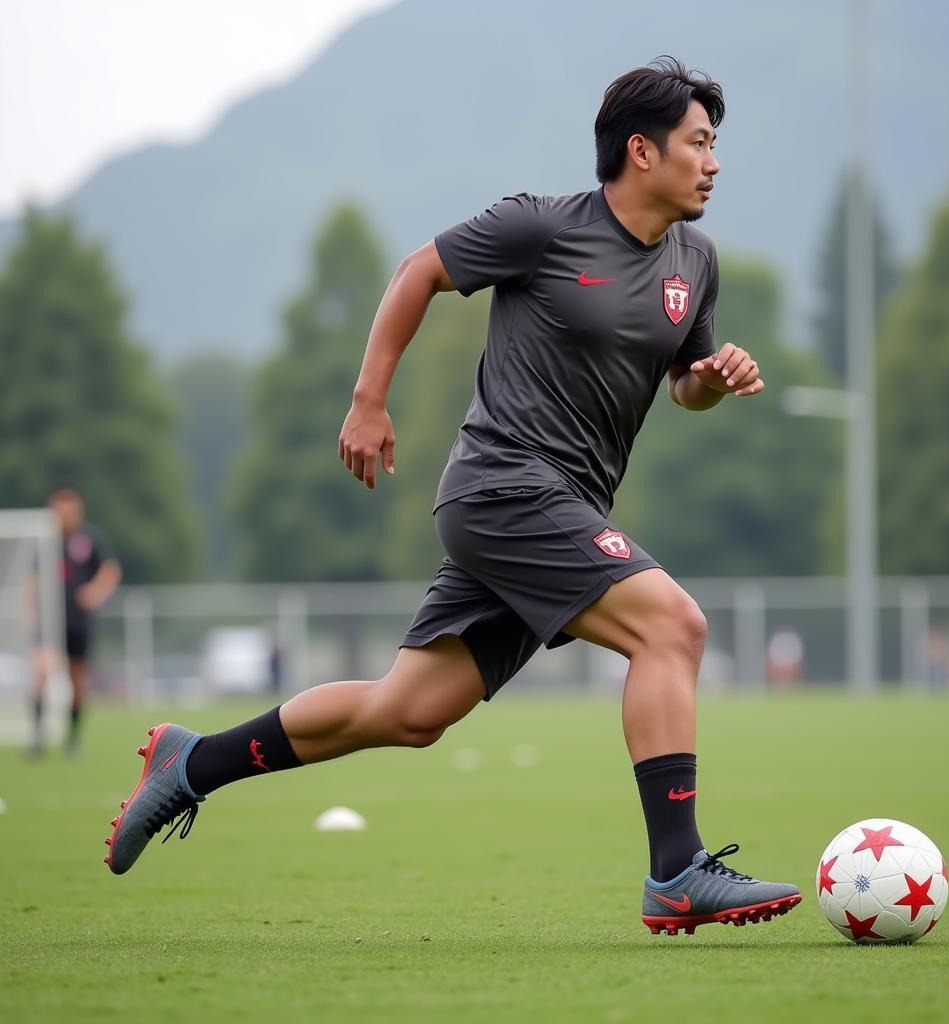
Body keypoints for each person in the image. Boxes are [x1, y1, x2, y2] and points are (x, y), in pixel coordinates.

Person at [105, 58, 801, 935]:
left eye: (714, 145)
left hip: (563, 511)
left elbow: (682, 387)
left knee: (409, 713)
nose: (713, 162)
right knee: (675, 626)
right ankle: (677, 871)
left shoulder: (694, 261)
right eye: (699, 142)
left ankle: (190, 762)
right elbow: (415, 273)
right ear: (641, 150)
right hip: (503, 487)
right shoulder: (540, 226)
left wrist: (712, 375)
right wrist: (368, 400)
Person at [32, 485, 121, 755]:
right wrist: (32, 612)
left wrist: (95, 592)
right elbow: (31, 579)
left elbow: (110, 570)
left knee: (77, 679)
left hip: (78, 621)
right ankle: (38, 736)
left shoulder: (90, 540)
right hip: (49, 621)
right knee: (42, 672)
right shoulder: (44, 542)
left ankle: (72, 739)